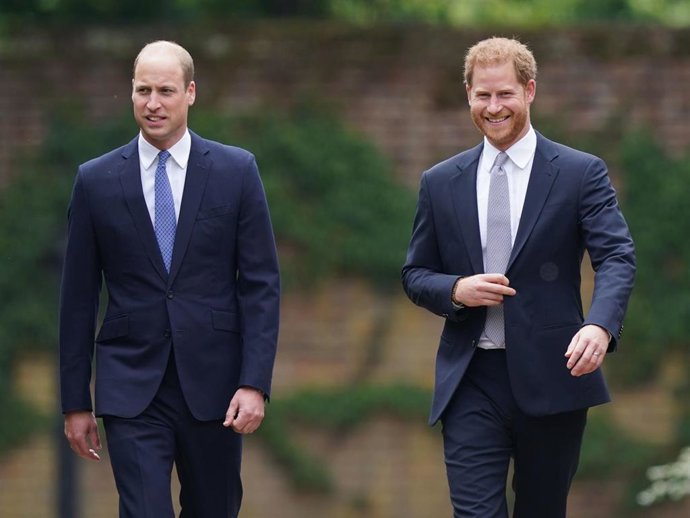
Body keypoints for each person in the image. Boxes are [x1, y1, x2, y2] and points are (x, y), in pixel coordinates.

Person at [401, 37, 635, 518]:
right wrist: (455, 289)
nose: (493, 107)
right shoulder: (440, 181)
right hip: (471, 378)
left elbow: (616, 256)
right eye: (482, 95)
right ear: (467, 94)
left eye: (504, 94)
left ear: (530, 91)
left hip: (554, 373)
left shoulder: (579, 172)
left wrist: (599, 324)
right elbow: (415, 273)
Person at [59, 40, 280, 517]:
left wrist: (254, 382)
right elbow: (77, 297)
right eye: (142, 90)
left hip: (217, 387)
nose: (152, 103)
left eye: (165, 90)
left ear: (191, 92)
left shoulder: (235, 171)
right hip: (130, 385)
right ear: (131, 93)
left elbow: (261, 284)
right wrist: (75, 401)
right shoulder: (95, 180)